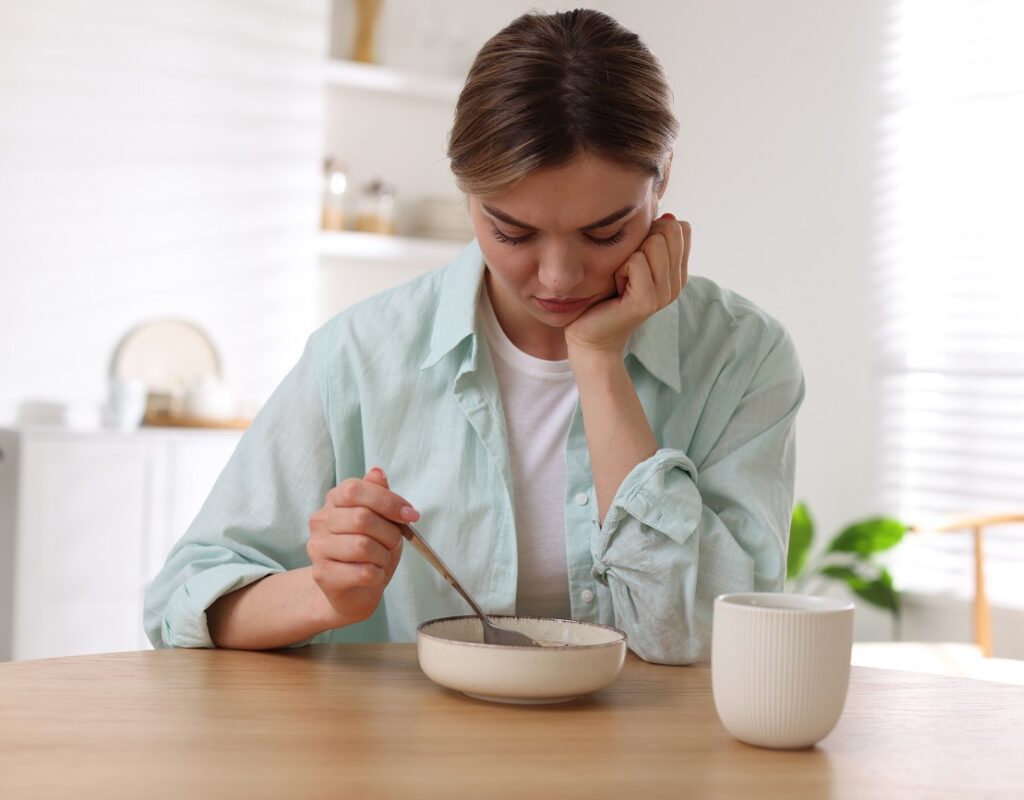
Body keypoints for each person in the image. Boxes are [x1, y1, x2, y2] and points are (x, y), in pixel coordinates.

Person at [144, 8, 804, 665]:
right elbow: (182, 600)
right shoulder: (361, 355)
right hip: (412, 736)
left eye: (605, 233)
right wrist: (324, 596)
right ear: (466, 193)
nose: (558, 276)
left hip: (656, 739)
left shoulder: (741, 358)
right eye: (512, 233)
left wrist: (599, 360)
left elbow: (704, 636)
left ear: (664, 180)